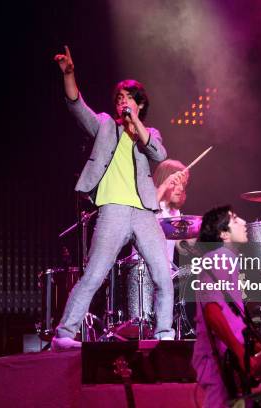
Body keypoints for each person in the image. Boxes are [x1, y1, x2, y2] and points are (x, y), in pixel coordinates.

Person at [51, 46, 175, 350]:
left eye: (128, 98)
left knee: (163, 274)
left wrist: (137, 126)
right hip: (113, 211)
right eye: (119, 98)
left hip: (144, 212)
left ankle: (164, 334)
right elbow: (76, 106)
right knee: (94, 274)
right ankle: (64, 335)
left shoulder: (150, 133)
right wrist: (69, 75)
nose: (122, 102)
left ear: (140, 104)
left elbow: (159, 154)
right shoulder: (106, 125)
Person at [192, 206, 261, 407]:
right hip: (218, 362)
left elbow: (229, 317)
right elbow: (211, 311)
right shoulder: (220, 257)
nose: (245, 223)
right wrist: (239, 352)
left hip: (225, 362)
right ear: (223, 234)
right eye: (236, 220)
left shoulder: (227, 260)